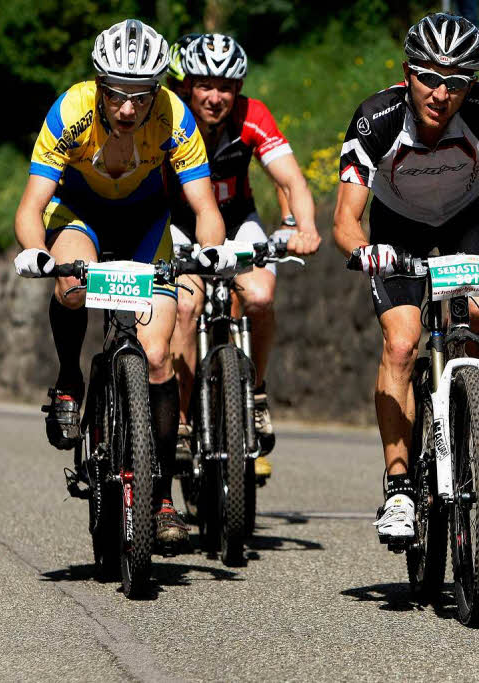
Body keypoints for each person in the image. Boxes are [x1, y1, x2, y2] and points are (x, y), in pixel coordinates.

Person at [332, 13, 479, 541]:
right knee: (402, 342)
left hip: (467, 216)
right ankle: (398, 487)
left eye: (456, 82)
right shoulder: (377, 118)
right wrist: (368, 253)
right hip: (396, 226)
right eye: (429, 77)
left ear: (473, 84)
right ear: (407, 72)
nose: (441, 93)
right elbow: (345, 220)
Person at [12, 19, 234, 551]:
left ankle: (158, 499)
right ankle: (69, 379)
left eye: (141, 95)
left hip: (144, 224)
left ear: (157, 89)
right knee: (70, 286)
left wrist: (209, 253)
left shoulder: (175, 116)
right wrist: (38, 253)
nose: (129, 109)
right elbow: (31, 207)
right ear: (99, 87)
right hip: (81, 214)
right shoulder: (71, 110)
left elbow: (205, 208)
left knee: (157, 358)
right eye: (117, 95)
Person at [165, 33, 321, 481]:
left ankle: (254, 394)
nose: (216, 97)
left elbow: (291, 180)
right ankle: (178, 416)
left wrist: (303, 227)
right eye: (205, 85)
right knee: (186, 305)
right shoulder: (169, 117)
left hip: (236, 221)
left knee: (259, 295)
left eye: (227, 87)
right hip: (180, 223)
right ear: (186, 85)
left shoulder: (252, 115)